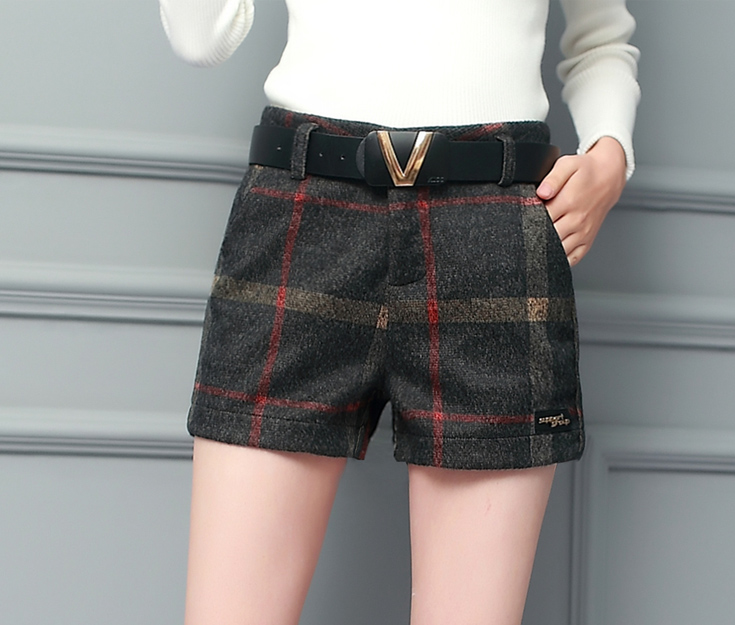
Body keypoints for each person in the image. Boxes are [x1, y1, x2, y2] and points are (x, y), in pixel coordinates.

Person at [158, 2, 640, 624]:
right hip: (302, 209)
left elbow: (602, 39)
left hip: (491, 223)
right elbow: (200, 38)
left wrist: (608, 156)